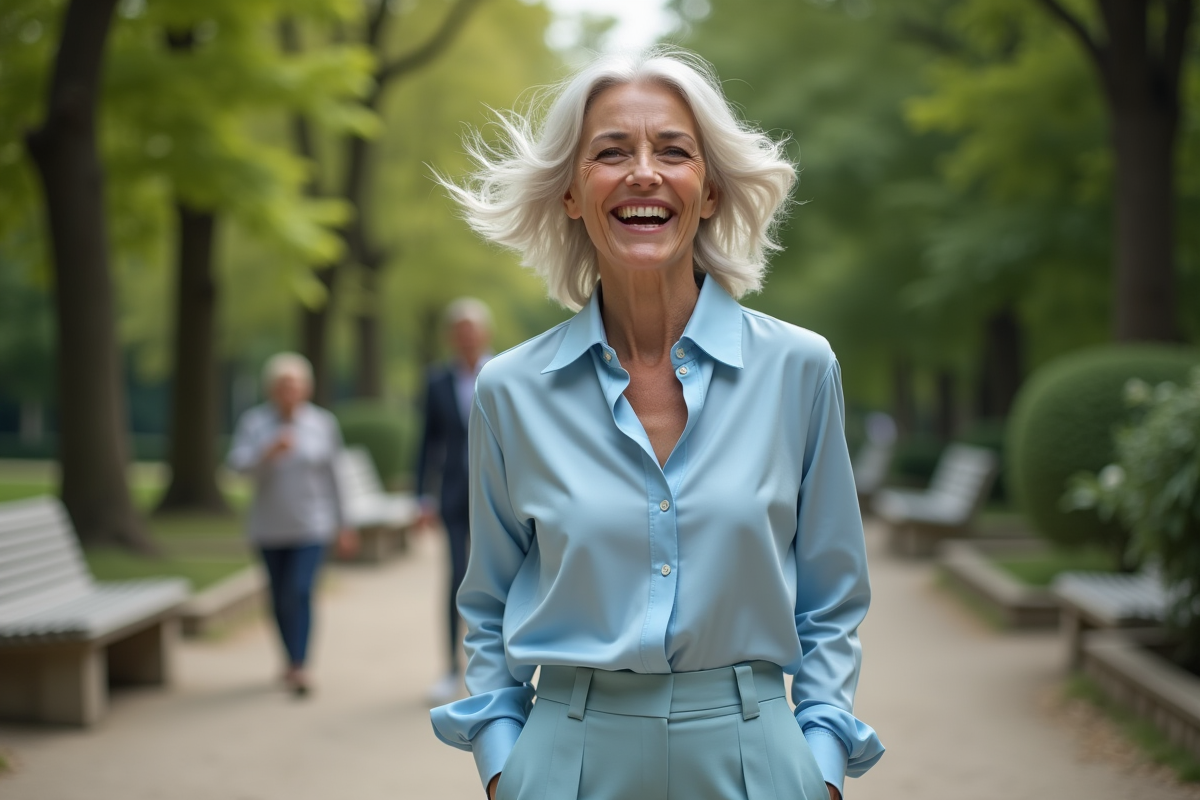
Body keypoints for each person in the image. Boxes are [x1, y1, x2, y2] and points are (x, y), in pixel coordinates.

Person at [430, 47, 884, 800]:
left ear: (708, 191)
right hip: (563, 766)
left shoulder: (801, 370)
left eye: (673, 151)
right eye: (611, 152)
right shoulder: (508, 391)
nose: (644, 171)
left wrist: (823, 767)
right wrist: (506, 770)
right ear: (573, 193)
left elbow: (833, 599)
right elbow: (486, 604)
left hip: (758, 762)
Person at [226, 352, 357, 697]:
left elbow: (335, 477)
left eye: (296, 384)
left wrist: (345, 524)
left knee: (299, 591)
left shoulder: (322, 424)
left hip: (312, 525)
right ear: (271, 389)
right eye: (283, 385)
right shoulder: (255, 424)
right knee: (278, 597)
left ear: (306, 389)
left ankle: (300, 666)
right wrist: (266, 453)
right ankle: (288, 658)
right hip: (269, 527)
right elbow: (237, 468)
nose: (290, 391)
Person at [415, 298, 494, 704]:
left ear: (484, 335)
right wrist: (420, 497)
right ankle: (449, 667)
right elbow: (425, 441)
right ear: (452, 337)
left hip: (498, 496)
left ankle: (502, 669)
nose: (467, 338)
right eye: (460, 331)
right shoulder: (437, 382)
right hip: (452, 495)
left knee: (503, 578)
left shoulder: (503, 373)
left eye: (473, 330)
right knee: (458, 577)